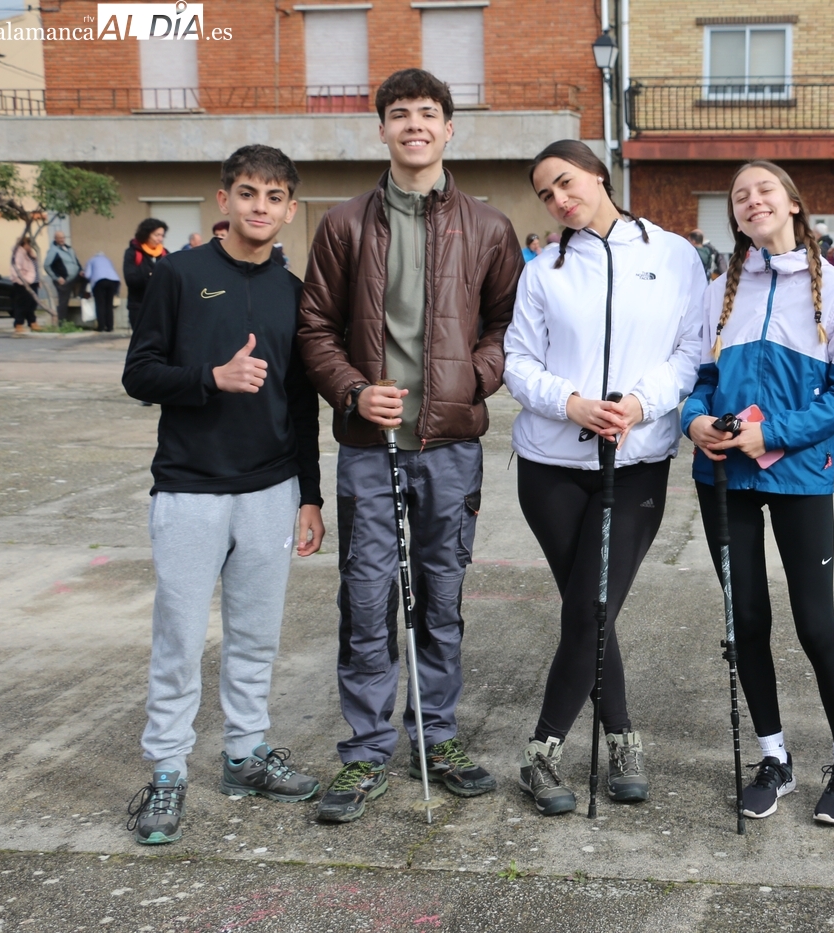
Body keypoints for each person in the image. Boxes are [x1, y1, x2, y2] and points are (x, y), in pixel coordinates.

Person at [299, 68, 524, 823]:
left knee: (441, 596)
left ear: (449, 128)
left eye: (428, 113)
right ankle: (366, 751)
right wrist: (354, 392)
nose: (415, 125)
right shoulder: (343, 225)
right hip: (372, 446)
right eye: (400, 114)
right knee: (367, 597)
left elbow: (509, 326)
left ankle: (437, 736)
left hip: (451, 446)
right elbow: (315, 329)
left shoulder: (489, 227)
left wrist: (472, 381)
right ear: (383, 129)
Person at [120, 144, 325, 846]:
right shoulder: (178, 274)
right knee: (178, 636)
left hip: (271, 489)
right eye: (247, 193)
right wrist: (211, 378)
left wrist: (309, 494)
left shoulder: (294, 291)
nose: (259, 206)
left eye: (274, 196)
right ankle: (168, 768)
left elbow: (302, 402)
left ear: (290, 210)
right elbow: (139, 373)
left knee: (256, 635)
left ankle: (245, 755)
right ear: (223, 200)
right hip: (190, 488)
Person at [504, 140, 706, 815]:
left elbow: (691, 350)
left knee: (592, 608)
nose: (559, 200)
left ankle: (541, 750)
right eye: (545, 194)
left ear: (598, 174)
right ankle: (621, 736)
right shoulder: (544, 270)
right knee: (591, 610)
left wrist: (640, 404)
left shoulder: (674, 255)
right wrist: (572, 403)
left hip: (637, 463)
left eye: (566, 182)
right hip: (551, 469)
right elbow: (517, 361)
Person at [684, 160, 834, 825]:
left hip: (799, 475)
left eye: (764, 189)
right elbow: (699, 381)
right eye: (740, 195)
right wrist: (695, 421)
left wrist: (772, 433)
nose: (752, 200)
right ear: (735, 217)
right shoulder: (718, 292)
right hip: (722, 476)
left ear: (794, 204)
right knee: (747, 623)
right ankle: (774, 758)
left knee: (816, 623)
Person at [123, 218, 169, 331]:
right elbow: (130, 279)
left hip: (160, 307)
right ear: (146, 234)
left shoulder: (165, 253)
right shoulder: (133, 252)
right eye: (156, 235)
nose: (160, 239)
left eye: (162, 235)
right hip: (139, 307)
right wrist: (151, 275)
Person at [45, 230, 83, 321]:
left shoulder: (69, 249)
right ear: (55, 239)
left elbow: (76, 261)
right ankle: (62, 322)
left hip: (75, 277)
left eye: (63, 237)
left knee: (87, 277)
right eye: (60, 238)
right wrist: (57, 278)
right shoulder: (53, 251)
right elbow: (46, 266)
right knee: (63, 301)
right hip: (63, 280)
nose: (62, 240)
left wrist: (81, 270)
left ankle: (80, 295)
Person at [84, 250, 121, 333]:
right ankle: (110, 327)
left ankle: (101, 326)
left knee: (100, 304)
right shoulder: (108, 260)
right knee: (109, 304)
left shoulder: (91, 260)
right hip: (114, 281)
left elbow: (87, 275)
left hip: (99, 281)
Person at [9, 234, 40, 334]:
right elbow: (16, 269)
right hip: (23, 284)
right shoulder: (19, 253)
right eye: (28, 244)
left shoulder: (29, 253)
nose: (30, 246)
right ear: (23, 244)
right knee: (22, 304)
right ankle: (18, 324)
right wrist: (22, 282)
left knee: (32, 304)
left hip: (33, 282)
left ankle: (32, 322)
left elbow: (34, 268)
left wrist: (38, 280)